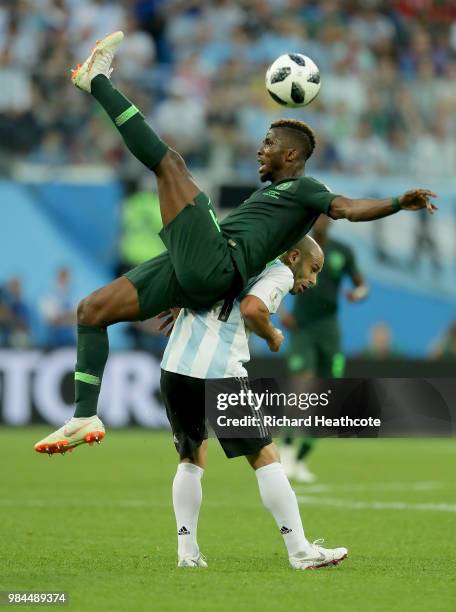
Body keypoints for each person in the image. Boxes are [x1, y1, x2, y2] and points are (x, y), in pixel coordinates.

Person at [34, 31, 437, 454]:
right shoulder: (267, 202)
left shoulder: (306, 190)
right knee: (91, 311)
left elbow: (347, 208)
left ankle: (96, 80)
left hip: (214, 263)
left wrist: (396, 202)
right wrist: (191, 288)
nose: (261, 150)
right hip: (201, 270)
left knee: (171, 165)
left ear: (292, 157)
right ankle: (83, 415)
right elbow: (256, 260)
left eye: (270, 145)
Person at [160, 236, 347, 570]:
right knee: (265, 456)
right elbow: (252, 308)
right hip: (218, 372)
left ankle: (187, 554)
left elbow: (177, 274)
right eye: (312, 269)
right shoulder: (279, 271)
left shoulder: (222, 257)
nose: (312, 279)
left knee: (191, 455)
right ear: (293, 257)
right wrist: (272, 334)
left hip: (175, 366)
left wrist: (176, 301)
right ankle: (300, 550)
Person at [280, 216, 368, 482]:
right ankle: (285, 448)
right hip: (303, 328)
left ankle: (301, 458)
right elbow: (272, 274)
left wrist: (358, 293)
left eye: (327, 214)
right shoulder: (297, 246)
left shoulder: (342, 251)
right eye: (318, 213)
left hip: (329, 328)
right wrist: (281, 310)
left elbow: (361, 285)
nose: (323, 219)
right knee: (303, 385)